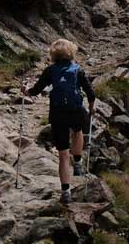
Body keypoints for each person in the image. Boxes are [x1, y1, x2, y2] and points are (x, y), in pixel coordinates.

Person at [26, 39, 97, 205]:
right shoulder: (78, 70)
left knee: (63, 154)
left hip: (58, 114)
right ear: (71, 52)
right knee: (78, 131)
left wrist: (26, 91)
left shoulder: (51, 71)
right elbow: (90, 93)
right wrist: (91, 108)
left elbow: (36, 90)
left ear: (54, 54)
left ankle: (66, 191)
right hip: (75, 111)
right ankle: (78, 163)